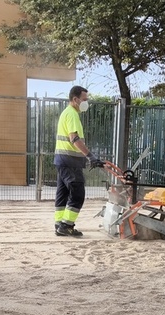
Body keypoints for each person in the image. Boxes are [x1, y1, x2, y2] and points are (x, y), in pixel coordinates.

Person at [53, 86, 105, 237]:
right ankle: (66, 225)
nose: (86, 103)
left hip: (62, 160)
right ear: (75, 99)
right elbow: (74, 139)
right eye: (84, 100)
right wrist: (90, 156)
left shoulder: (67, 113)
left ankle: (59, 224)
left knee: (62, 192)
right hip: (70, 161)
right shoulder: (72, 114)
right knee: (77, 192)